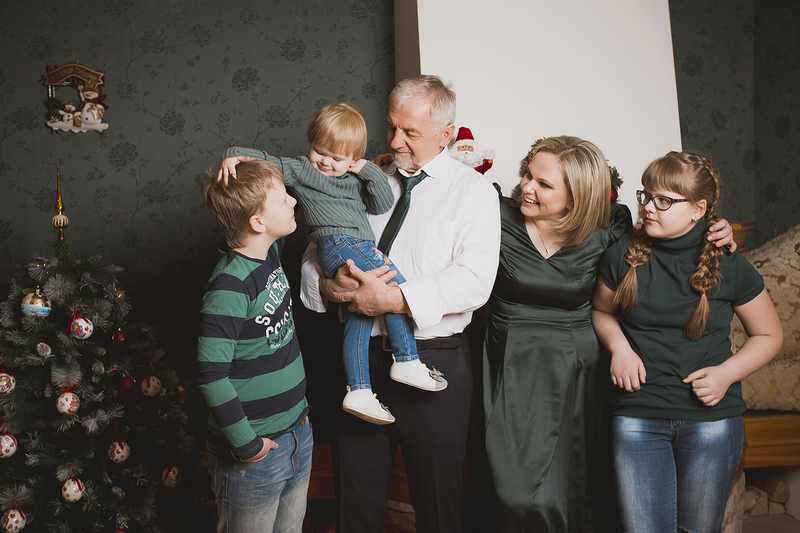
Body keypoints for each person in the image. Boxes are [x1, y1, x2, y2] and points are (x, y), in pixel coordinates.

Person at [480, 137, 737, 533]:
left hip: (579, 369)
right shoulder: (492, 213)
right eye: (528, 176)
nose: (526, 187)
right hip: (511, 359)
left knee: (579, 487)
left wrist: (714, 230)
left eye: (543, 184)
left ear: (577, 196)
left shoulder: (610, 228)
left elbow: (667, 240)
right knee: (514, 492)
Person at [300, 75, 501, 533]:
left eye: (410, 132)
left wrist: (391, 298)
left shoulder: (473, 193)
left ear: (446, 134)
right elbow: (315, 248)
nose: (394, 142)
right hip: (359, 364)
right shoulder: (361, 176)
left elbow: (474, 281)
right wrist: (329, 287)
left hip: (434, 363)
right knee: (355, 507)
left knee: (438, 508)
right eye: (391, 127)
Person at [219, 103, 447, 426]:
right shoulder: (303, 169)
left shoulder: (353, 179)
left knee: (359, 316)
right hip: (338, 245)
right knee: (394, 287)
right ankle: (407, 359)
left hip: (356, 246)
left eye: (336, 158)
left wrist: (366, 170)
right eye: (319, 151)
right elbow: (266, 160)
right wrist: (232, 155)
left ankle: (359, 390)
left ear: (353, 158)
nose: (325, 162)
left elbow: (382, 203)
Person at [592, 150, 783, 533]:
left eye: (664, 201)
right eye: (647, 196)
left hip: (711, 422)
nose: (649, 207)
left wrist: (726, 374)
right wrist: (620, 348)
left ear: (698, 209)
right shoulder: (622, 256)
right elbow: (601, 311)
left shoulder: (729, 263)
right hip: (637, 416)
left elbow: (769, 335)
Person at [198, 159, 313, 533]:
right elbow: (211, 376)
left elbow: (280, 180)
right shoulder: (229, 286)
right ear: (258, 222)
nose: (293, 200)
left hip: (297, 433)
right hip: (255, 453)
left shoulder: (269, 254)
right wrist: (247, 446)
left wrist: (238, 157)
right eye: (283, 200)